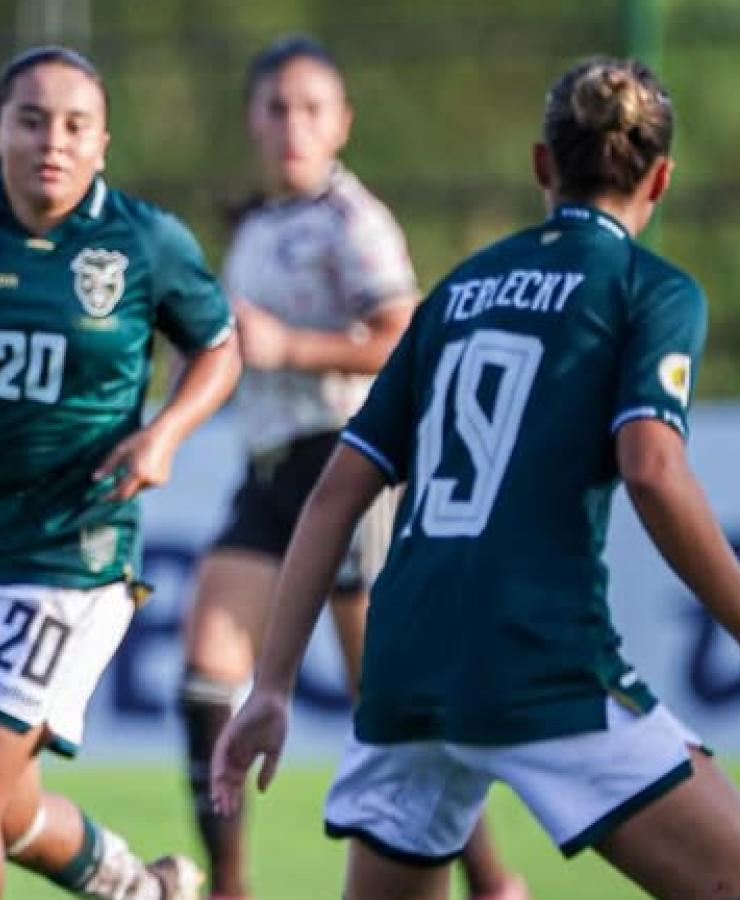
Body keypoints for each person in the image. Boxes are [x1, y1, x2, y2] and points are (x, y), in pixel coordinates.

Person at [212, 56, 740, 900]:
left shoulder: (458, 290)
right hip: (536, 662)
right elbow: (652, 470)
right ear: (661, 177)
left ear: (543, 164)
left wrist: (274, 685)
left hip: (408, 670)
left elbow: (335, 493)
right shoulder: (647, 290)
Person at [0, 45, 240, 900]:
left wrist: (167, 431)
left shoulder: (143, 240)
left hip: (77, 553)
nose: (50, 141)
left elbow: (217, 347)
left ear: (102, 143)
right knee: (0, 804)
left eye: (74, 125)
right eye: (30, 121)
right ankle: (145, 890)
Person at [178, 36, 526, 900]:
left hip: (347, 464)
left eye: (311, 108)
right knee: (204, 668)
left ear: (341, 124)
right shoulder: (257, 223)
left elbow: (405, 334)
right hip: (267, 471)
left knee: (392, 691)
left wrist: (289, 345)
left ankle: (491, 880)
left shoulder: (352, 220)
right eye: (276, 107)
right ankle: (231, 887)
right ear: (252, 119)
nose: (292, 124)